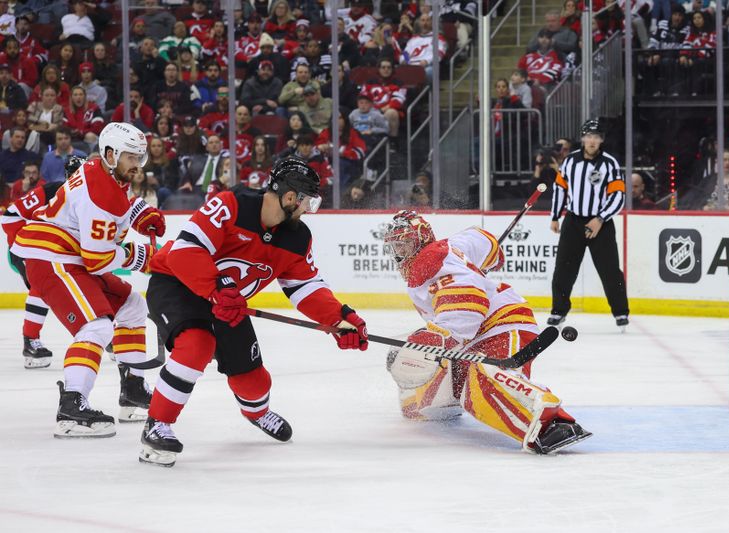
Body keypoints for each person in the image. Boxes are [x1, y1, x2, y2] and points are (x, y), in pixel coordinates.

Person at [139, 158, 369, 467]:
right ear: (290, 197)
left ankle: (256, 412)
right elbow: (185, 252)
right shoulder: (231, 205)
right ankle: (157, 425)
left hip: (227, 302)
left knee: (254, 379)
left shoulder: (297, 238)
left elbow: (305, 288)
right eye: (307, 202)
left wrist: (341, 317)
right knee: (196, 345)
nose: (307, 210)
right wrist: (216, 289)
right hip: (179, 284)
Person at [383, 210, 591, 454]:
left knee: (478, 383)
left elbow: (467, 308)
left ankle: (549, 421)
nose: (399, 253)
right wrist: (490, 259)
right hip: (473, 336)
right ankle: (448, 400)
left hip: (502, 324)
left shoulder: (428, 264)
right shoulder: (447, 247)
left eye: (405, 244)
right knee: (418, 401)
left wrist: (436, 339)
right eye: (396, 246)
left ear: (421, 240)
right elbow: (484, 240)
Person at [10, 122, 166, 437]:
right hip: (52, 257)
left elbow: (120, 200)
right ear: (110, 154)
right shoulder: (100, 194)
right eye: (130, 157)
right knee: (96, 326)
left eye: (139, 156)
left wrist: (139, 211)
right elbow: (99, 260)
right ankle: (72, 406)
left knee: (133, 306)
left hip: (72, 255)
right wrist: (143, 257)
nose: (136, 164)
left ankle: (132, 389)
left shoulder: (102, 168)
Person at [0, 158, 83, 369]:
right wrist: (26, 245)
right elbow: (10, 216)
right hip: (31, 249)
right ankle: (30, 341)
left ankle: (100, 333)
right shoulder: (51, 191)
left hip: (58, 251)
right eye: (76, 175)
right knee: (41, 286)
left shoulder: (89, 199)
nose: (80, 180)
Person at [548, 119, 629, 329]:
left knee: (610, 270)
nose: (592, 140)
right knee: (564, 268)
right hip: (573, 221)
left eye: (596, 137)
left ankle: (620, 312)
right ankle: (558, 310)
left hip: (601, 224)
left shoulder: (610, 163)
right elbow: (560, 189)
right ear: (583, 138)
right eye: (589, 136)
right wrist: (556, 216)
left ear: (601, 140)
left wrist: (600, 218)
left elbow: (618, 196)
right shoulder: (570, 162)